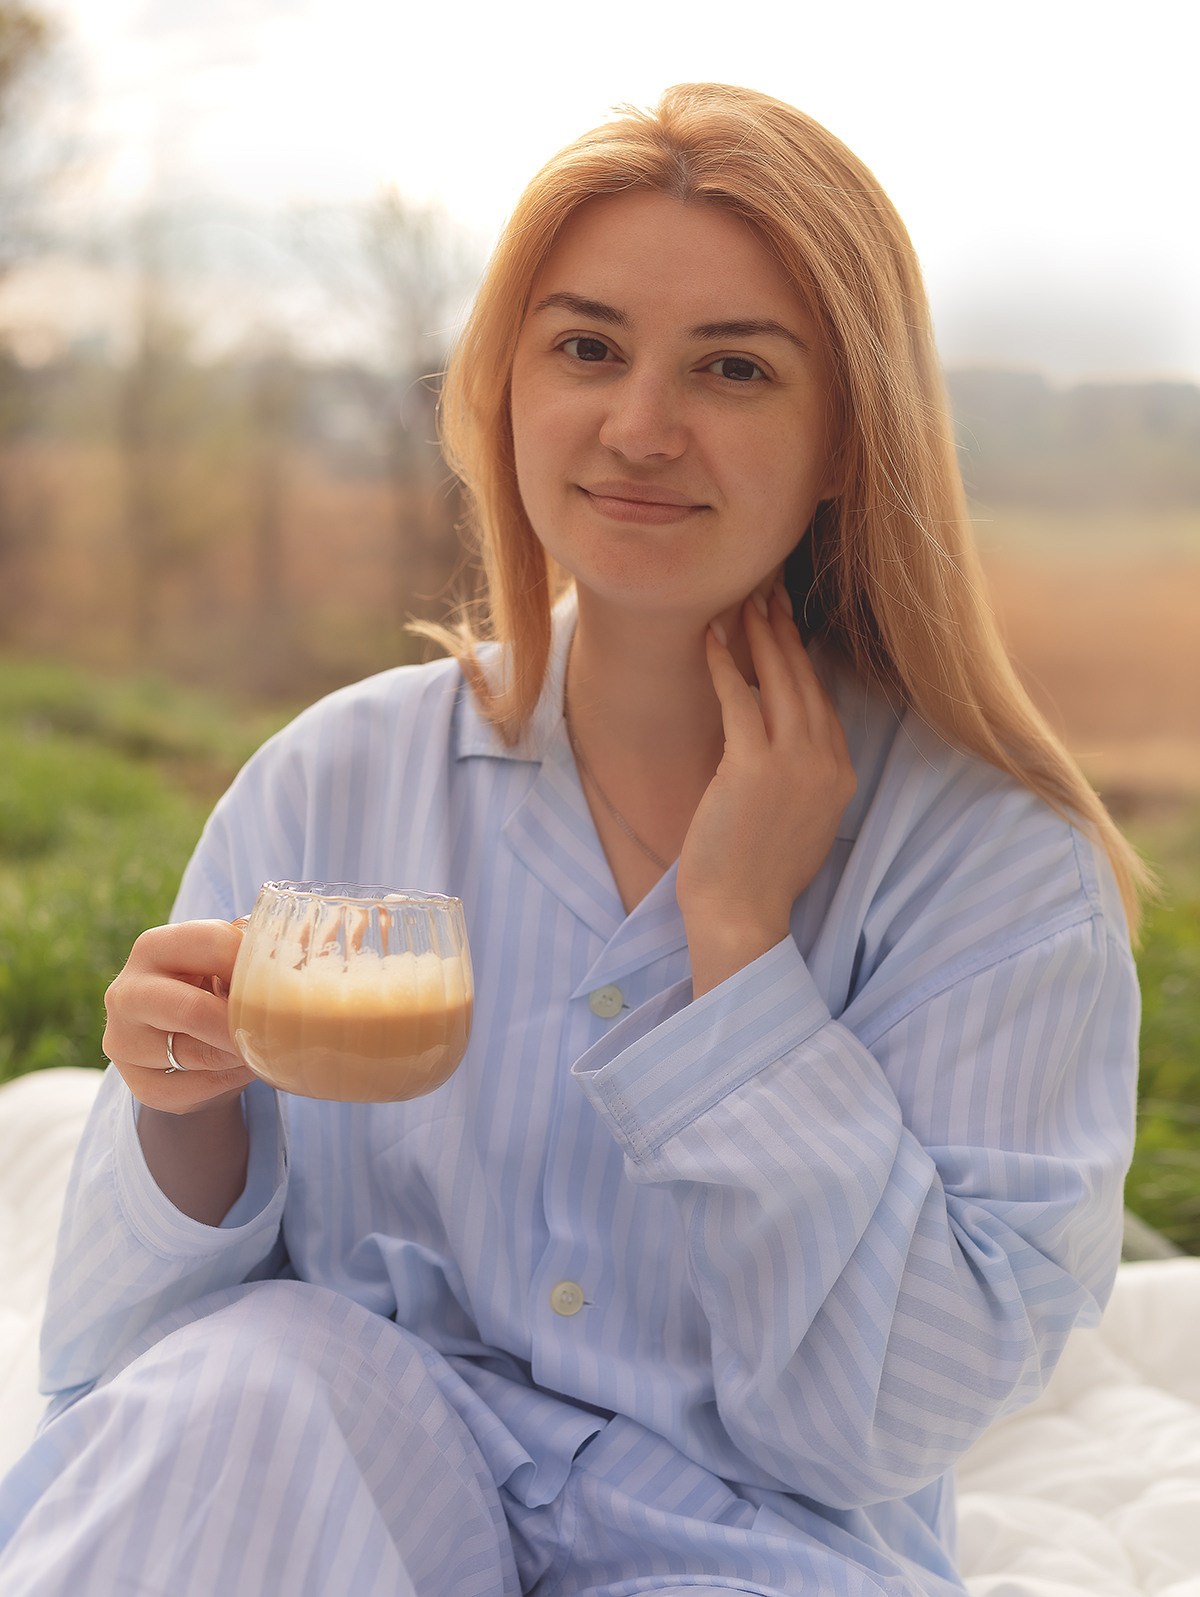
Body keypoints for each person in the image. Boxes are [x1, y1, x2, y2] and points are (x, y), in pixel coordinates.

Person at [0, 83, 1143, 1597]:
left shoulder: (994, 873)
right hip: (360, 1454)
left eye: (733, 367)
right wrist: (183, 1113)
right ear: (506, 390)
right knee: (239, 1398)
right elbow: (123, 1378)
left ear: (846, 440)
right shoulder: (330, 783)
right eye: (587, 348)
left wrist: (740, 947)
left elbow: (895, 1418)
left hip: (749, 1545)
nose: (640, 428)